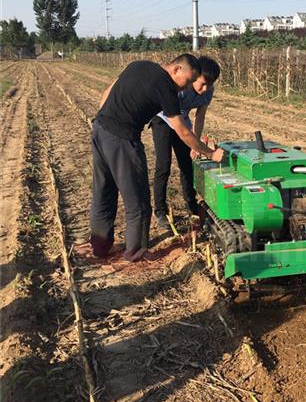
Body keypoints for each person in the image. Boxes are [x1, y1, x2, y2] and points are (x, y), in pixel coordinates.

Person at [90, 54, 224, 262]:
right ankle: (135, 253)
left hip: (100, 129)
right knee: (139, 202)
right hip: (122, 139)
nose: (186, 87)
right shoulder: (167, 88)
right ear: (176, 69)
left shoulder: (140, 65)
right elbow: (182, 130)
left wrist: (104, 116)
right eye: (187, 81)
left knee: (104, 191)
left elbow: (110, 88)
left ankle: (101, 248)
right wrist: (210, 153)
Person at [151, 56, 220, 229]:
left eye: (209, 85)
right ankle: (160, 211)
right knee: (163, 165)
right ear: (194, 76)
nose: (205, 89)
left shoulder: (208, 91)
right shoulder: (182, 86)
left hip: (183, 121)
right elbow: (173, 119)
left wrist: (196, 143)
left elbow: (200, 115)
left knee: (187, 165)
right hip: (163, 119)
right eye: (202, 83)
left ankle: (192, 206)